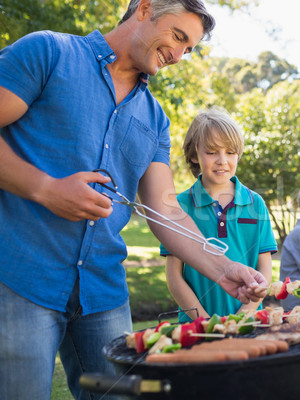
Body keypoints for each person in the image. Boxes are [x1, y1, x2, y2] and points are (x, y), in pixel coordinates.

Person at [0, 1, 268, 399]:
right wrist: (45, 189)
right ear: (144, 9)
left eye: (189, 48)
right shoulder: (48, 53)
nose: (179, 56)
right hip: (22, 278)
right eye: (178, 37)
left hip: (103, 292)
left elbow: (165, 209)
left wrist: (224, 269)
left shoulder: (155, 118)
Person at [162, 108, 277, 321]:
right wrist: (203, 321)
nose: (222, 160)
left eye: (230, 152)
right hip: (195, 326)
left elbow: (265, 270)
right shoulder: (179, 206)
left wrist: (242, 317)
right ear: (195, 154)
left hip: (246, 323)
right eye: (212, 151)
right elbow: (174, 277)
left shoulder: (256, 204)